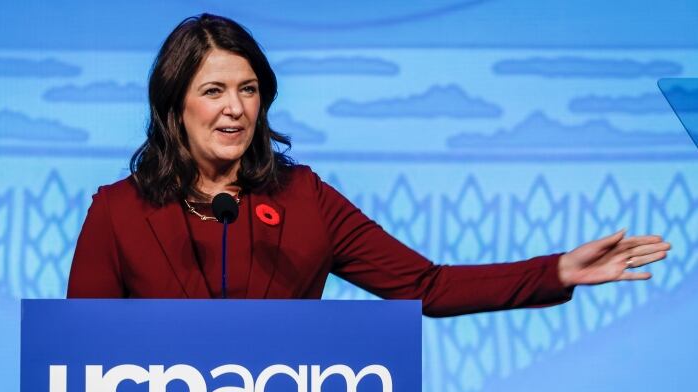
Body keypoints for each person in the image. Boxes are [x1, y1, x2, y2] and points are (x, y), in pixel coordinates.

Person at [67, 14, 670, 317]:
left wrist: (557, 270)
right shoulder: (119, 211)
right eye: (214, 90)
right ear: (176, 103)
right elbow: (82, 356)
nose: (235, 108)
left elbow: (425, 286)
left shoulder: (303, 197)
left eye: (249, 90)